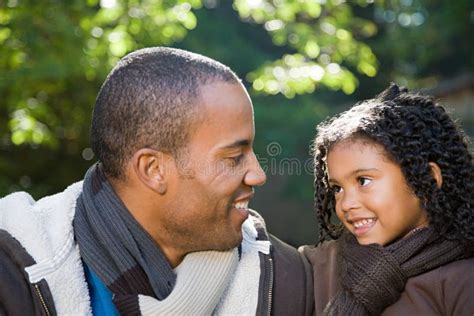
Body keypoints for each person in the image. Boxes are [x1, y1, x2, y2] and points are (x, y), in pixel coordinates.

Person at [0, 47, 314, 315]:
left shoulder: (289, 282)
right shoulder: (11, 276)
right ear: (153, 170)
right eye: (233, 157)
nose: (258, 174)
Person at [301, 84, 474, 315]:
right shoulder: (322, 265)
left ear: (427, 179)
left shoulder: (462, 282)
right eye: (337, 188)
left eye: (363, 181)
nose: (345, 203)